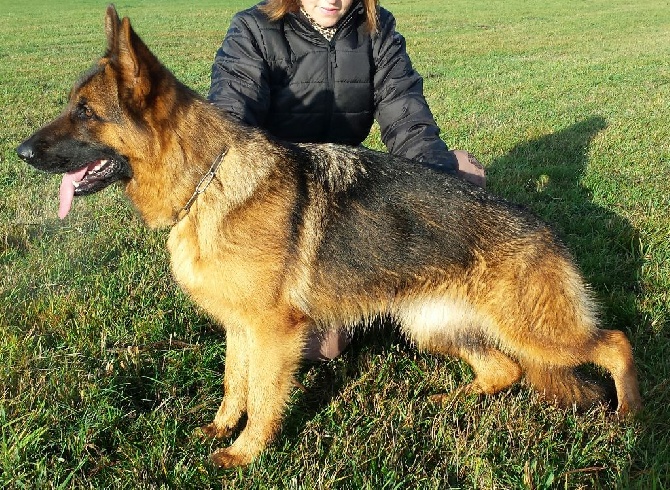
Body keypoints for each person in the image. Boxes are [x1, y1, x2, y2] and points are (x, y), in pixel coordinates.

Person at [208, 0, 486, 360]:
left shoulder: (376, 26)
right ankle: (366, 298)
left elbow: (406, 116)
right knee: (321, 346)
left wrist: (441, 192)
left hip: (346, 179)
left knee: (464, 173)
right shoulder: (254, 28)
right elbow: (230, 122)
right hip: (280, 196)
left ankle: (422, 288)